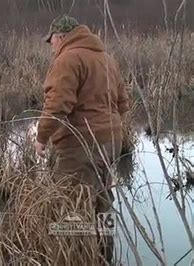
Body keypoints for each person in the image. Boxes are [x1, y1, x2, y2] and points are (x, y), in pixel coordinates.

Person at [34, 15, 129, 263]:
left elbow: (57, 105)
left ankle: (74, 257)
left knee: (70, 207)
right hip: (111, 142)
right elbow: (123, 103)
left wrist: (41, 137)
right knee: (103, 202)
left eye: (51, 40)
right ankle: (104, 257)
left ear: (61, 37)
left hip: (81, 145)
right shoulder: (107, 59)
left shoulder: (68, 59)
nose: (51, 46)